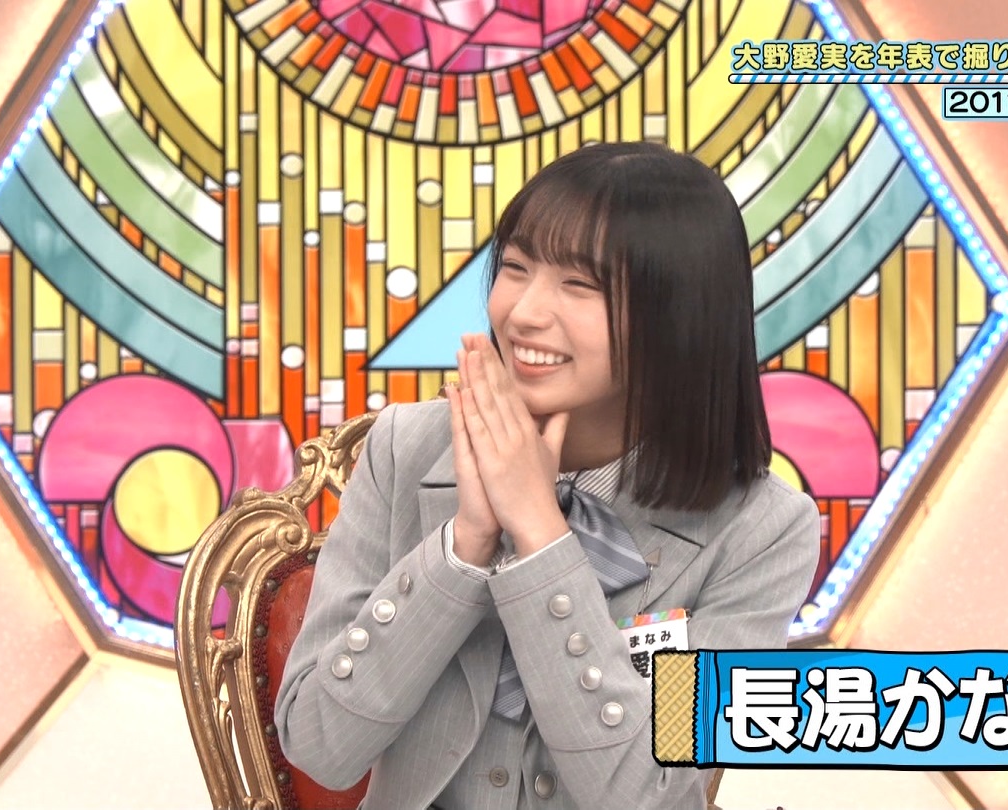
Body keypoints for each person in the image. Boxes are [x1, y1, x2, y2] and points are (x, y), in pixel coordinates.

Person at [274, 141, 820, 809]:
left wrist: (539, 532)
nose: (525, 313)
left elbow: (645, 794)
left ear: (681, 313)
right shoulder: (405, 448)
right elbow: (319, 746)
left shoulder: (763, 531)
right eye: (515, 267)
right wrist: (465, 544)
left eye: (580, 285)